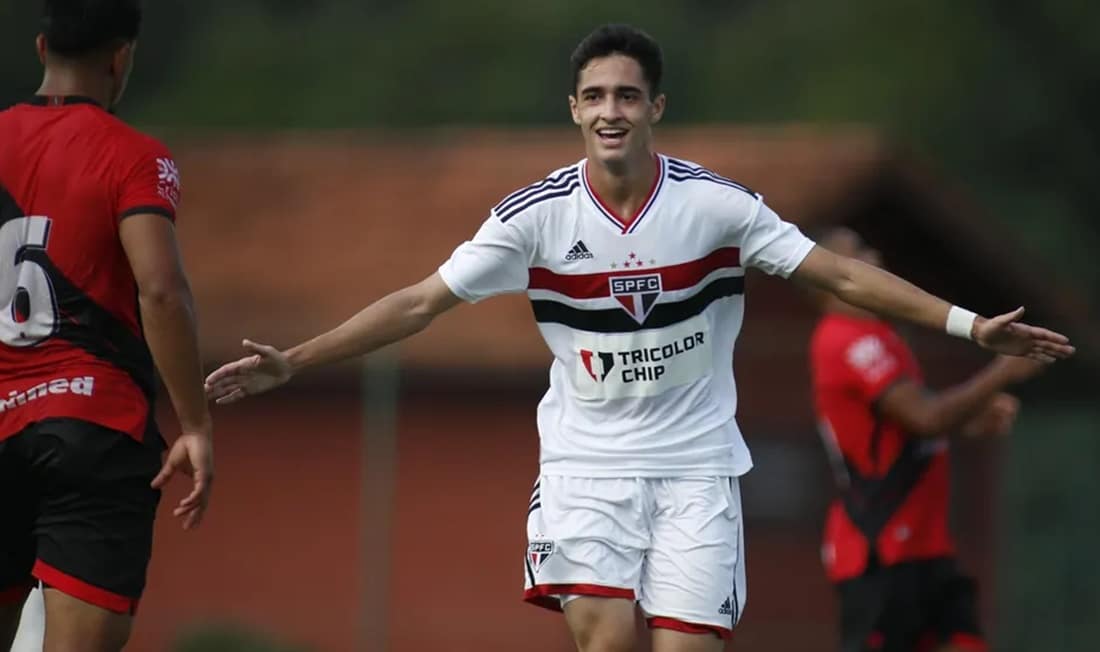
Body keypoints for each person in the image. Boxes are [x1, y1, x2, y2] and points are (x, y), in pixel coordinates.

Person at [204, 24, 1073, 652]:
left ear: (655, 105)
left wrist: (968, 323)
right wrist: (298, 359)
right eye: (594, 96)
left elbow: (838, 274)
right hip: (586, 470)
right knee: (609, 639)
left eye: (626, 94)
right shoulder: (534, 217)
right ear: (573, 111)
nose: (610, 110)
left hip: (698, 472)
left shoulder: (715, 206)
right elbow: (418, 304)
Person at [0, 1, 214, 650]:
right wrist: (196, 423)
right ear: (121, 58)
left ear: (42, 49)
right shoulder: (133, 156)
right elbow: (161, 289)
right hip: (92, 427)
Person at [806, 227, 1043, 652]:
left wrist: (968, 419)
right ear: (831, 280)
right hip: (878, 549)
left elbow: (903, 427)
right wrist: (1001, 371)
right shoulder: (844, 339)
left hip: (925, 545)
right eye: (858, 252)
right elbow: (926, 417)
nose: (874, 253)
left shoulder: (882, 336)